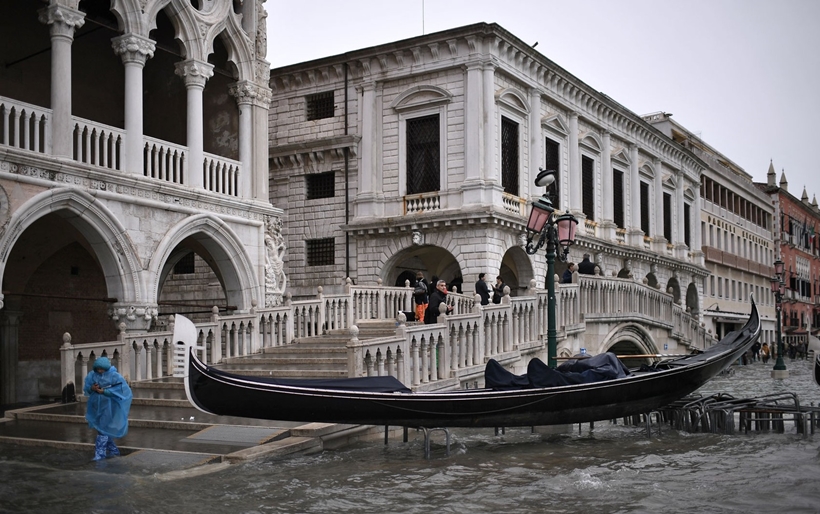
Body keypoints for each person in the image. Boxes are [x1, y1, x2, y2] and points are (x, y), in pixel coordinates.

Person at [83, 356, 132, 461]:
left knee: (102, 429)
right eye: (98, 369)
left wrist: (105, 392)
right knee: (102, 429)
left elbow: (123, 390)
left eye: (102, 369)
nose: (100, 371)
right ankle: (113, 450)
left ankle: (100, 454)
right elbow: (87, 389)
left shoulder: (114, 376)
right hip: (96, 406)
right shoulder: (92, 375)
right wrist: (92, 388)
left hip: (109, 406)